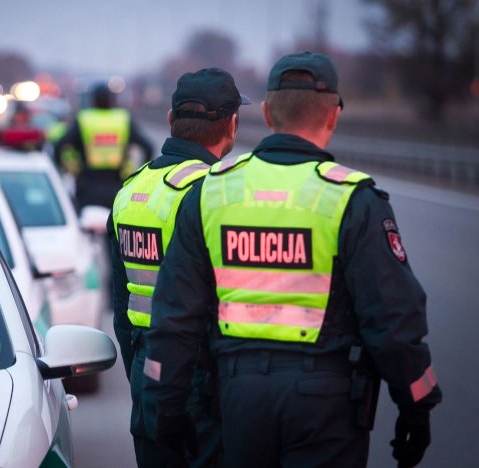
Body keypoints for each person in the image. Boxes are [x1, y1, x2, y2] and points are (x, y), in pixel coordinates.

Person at [143, 52, 442, 468]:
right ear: (333, 116)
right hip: (327, 405)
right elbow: (392, 320)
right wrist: (417, 403)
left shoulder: (211, 193)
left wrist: (167, 406)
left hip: (237, 400)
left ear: (266, 113)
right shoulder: (352, 200)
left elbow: (175, 315)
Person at [108, 67, 250, 468]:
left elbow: (121, 305)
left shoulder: (130, 190)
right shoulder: (217, 192)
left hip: (145, 369)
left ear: (171, 120)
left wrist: (141, 372)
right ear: (232, 124)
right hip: (202, 379)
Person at [53, 82, 154, 211]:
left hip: (87, 186)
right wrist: (136, 173)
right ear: (112, 101)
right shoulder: (123, 119)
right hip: (117, 186)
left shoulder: (84, 119)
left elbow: (59, 146)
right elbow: (148, 147)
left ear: (93, 101)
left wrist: (70, 170)